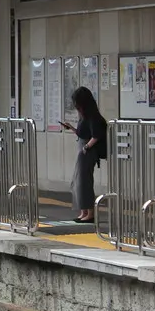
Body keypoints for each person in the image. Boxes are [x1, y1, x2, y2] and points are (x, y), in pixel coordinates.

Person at [61, 86, 107, 223]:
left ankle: (90, 213)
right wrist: (72, 128)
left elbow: (97, 135)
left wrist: (87, 147)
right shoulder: (85, 116)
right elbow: (83, 133)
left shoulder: (93, 116)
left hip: (87, 151)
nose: (76, 106)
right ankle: (84, 211)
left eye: (77, 103)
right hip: (83, 149)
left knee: (85, 181)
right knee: (78, 181)